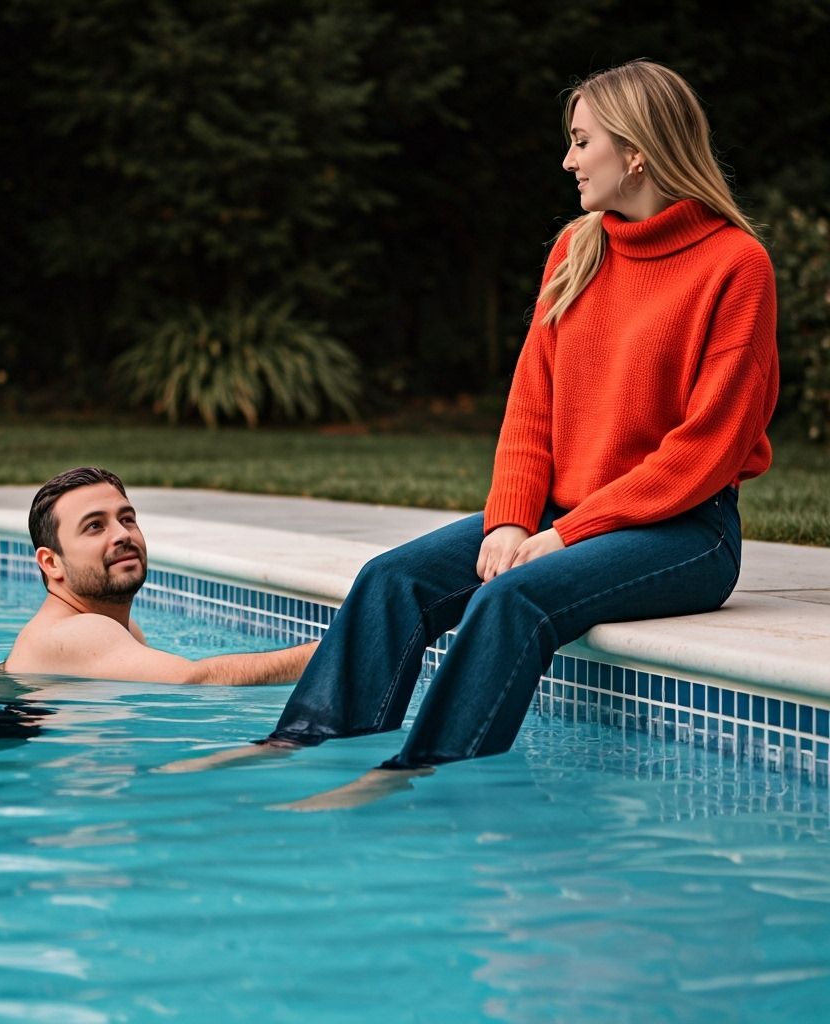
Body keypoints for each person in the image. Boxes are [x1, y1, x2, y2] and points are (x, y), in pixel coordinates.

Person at [156, 59, 780, 809]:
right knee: (392, 579)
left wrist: (567, 533)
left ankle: (419, 773)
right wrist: (514, 517)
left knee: (510, 598)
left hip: (686, 532)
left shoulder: (735, 265)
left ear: (637, 150)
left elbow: (706, 448)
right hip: (563, 520)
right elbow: (531, 407)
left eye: (581, 142)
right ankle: (306, 742)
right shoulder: (577, 250)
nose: (568, 160)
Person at [0, 466, 316, 686]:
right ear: (51, 564)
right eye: (95, 526)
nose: (122, 534)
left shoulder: (118, 627)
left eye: (127, 518)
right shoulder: (74, 631)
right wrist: (330, 651)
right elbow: (189, 680)